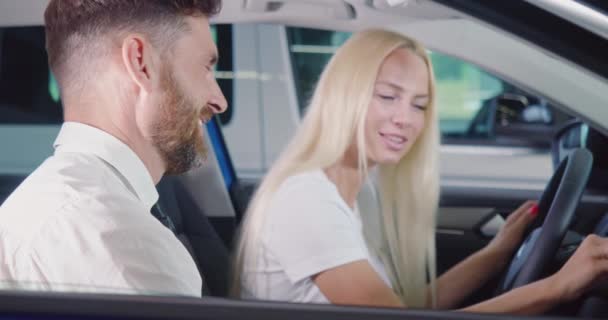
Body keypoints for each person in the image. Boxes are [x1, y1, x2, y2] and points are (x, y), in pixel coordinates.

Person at [232, 29, 608, 314]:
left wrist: (497, 253)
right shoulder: (307, 200)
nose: (405, 120)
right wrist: (559, 286)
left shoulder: (356, 192)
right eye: (388, 96)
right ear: (344, 95)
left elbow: (407, 306)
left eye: (419, 105)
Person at [0, 0, 226, 297]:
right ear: (141, 63)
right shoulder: (121, 240)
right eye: (206, 68)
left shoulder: (60, 201)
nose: (219, 101)